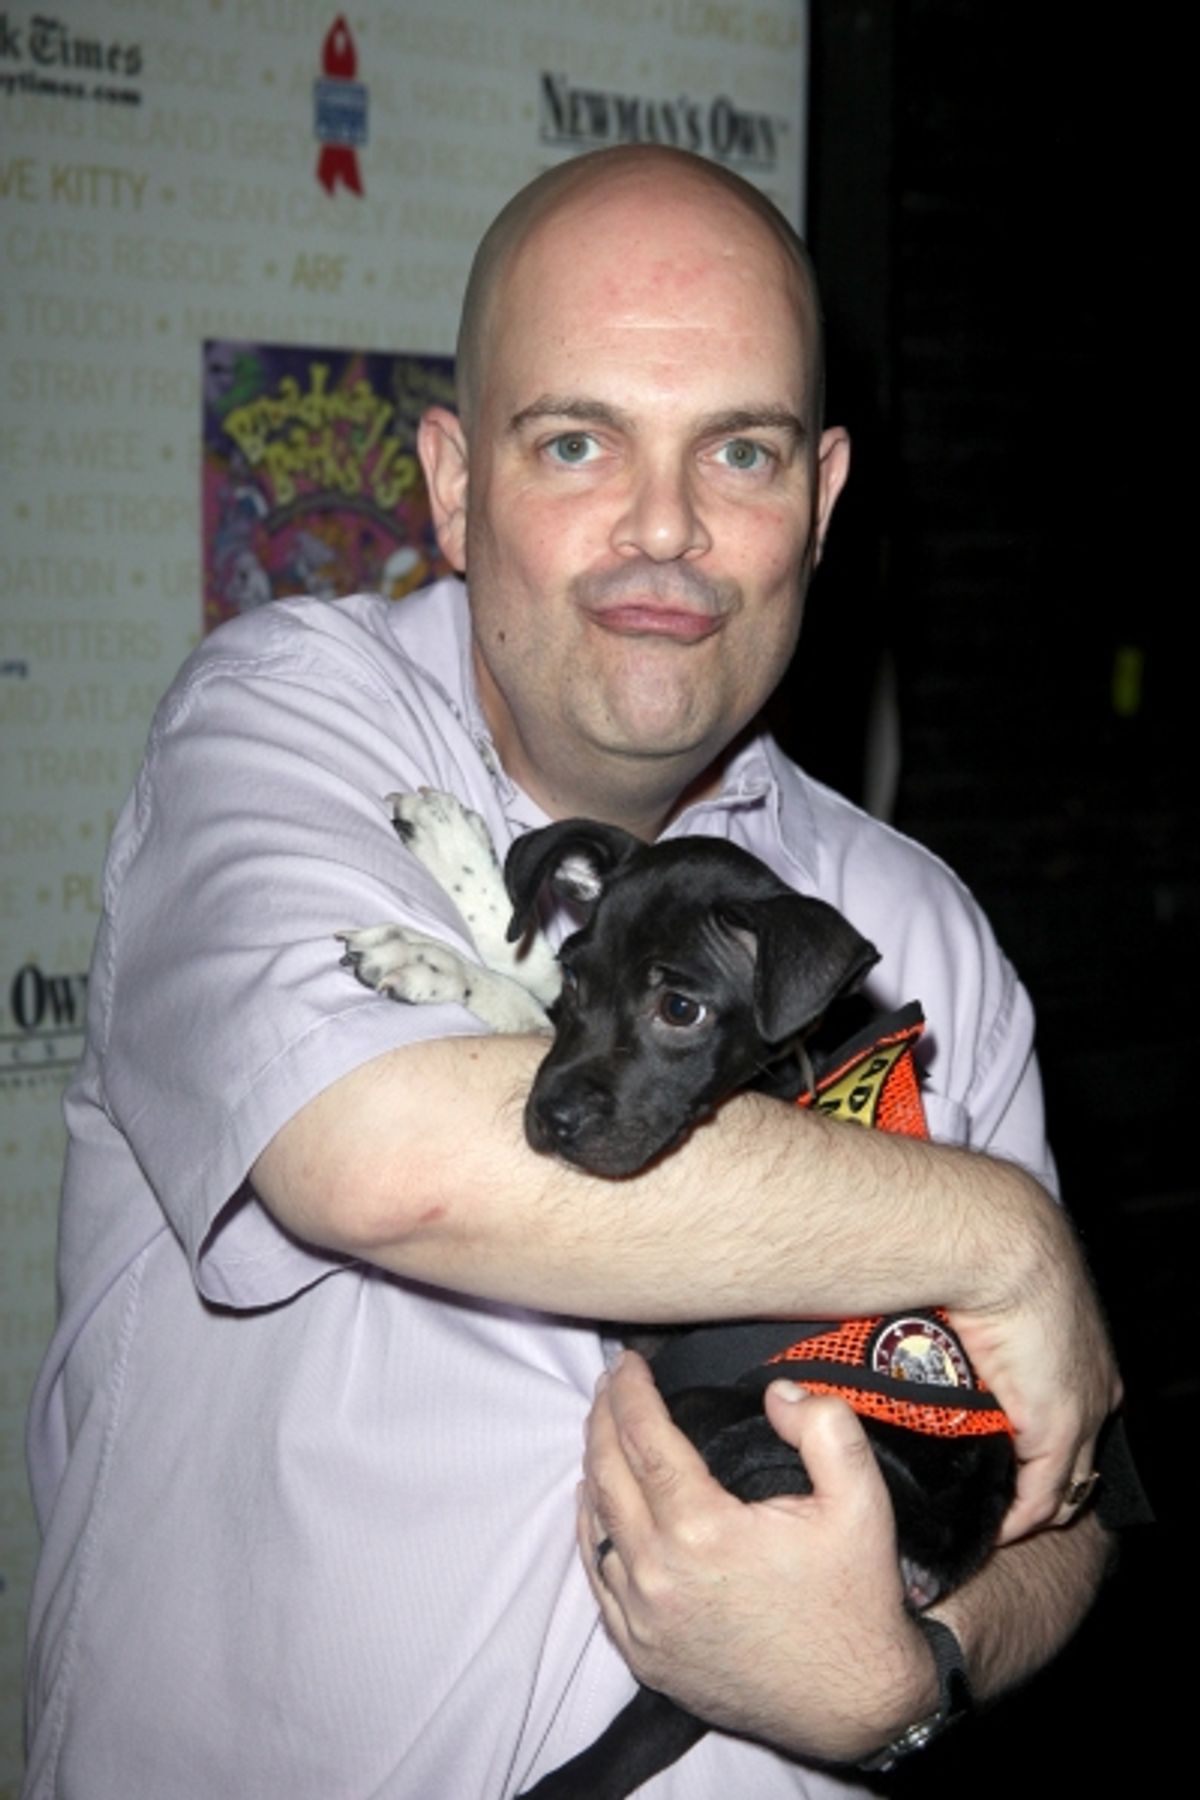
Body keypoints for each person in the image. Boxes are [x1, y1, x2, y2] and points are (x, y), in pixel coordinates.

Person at [22, 147, 1119, 1798]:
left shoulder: (920, 926)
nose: (664, 528)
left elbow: (1064, 1504)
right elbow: (379, 1154)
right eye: (579, 441)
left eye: (736, 450)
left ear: (821, 503)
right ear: (454, 485)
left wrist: (915, 1671)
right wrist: (999, 1235)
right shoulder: (288, 727)